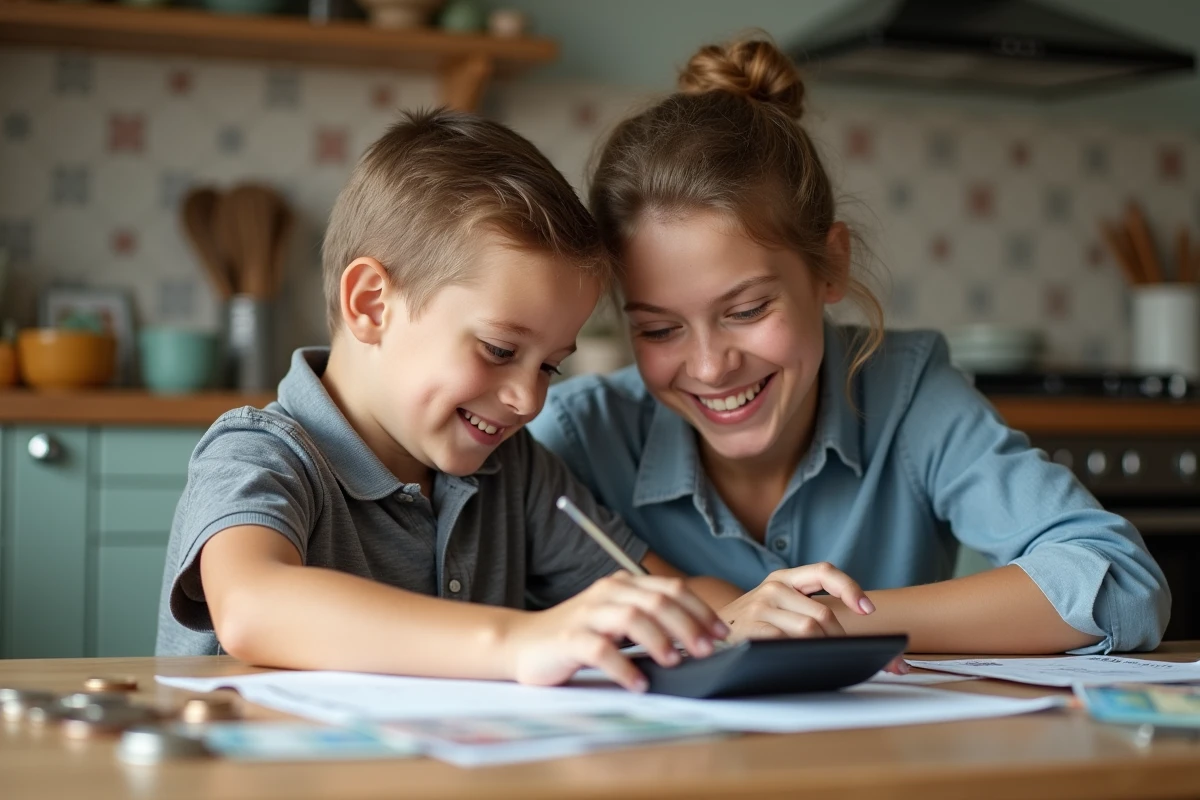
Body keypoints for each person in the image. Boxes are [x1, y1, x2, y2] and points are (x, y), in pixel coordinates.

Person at [156, 109, 870, 692]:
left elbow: (658, 589)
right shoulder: (261, 451)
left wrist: (753, 613)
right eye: (500, 350)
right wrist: (522, 640)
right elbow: (253, 606)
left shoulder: (512, 472)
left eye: (551, 367)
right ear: (372, 303)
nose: (528, 398)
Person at [529, 37, 1170, 654]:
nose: (708, 366)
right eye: (659, 329)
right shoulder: (574, 438)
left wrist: (829, 620)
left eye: (748, 309)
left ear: (830, 266)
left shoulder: (909, 391)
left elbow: (1122, 585)